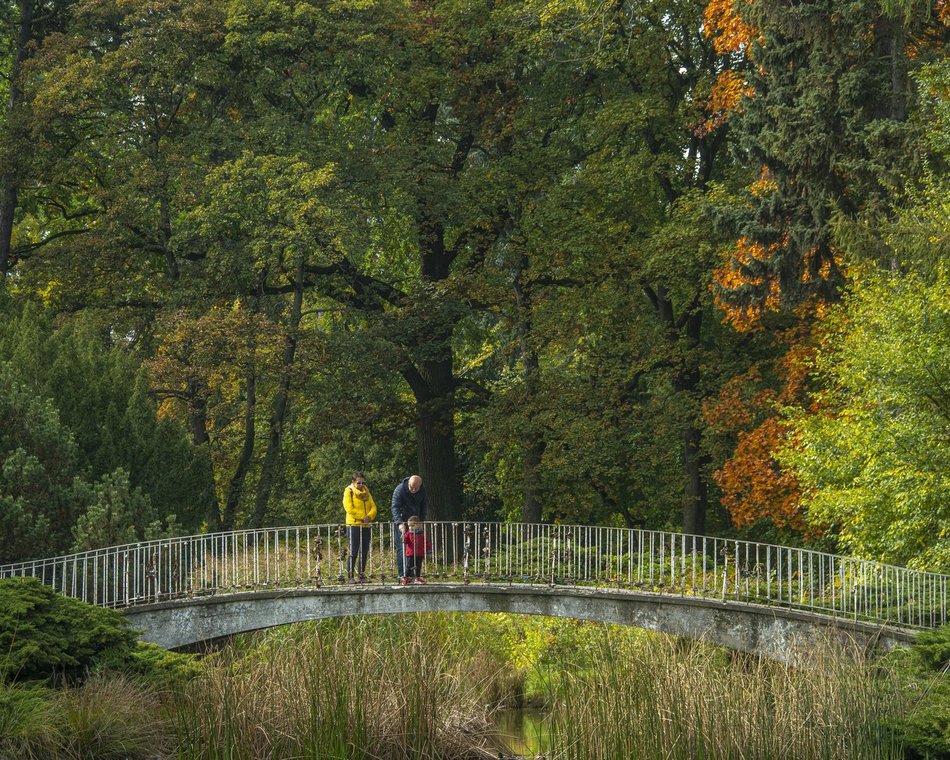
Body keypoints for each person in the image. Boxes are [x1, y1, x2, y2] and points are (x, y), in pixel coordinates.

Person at [391, 474, 427, 581]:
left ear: (420, 486)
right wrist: (400, 523)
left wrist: (421, 522)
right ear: (408, 484)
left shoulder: (422, 491)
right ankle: (403, 575)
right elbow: (395, 507)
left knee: (416, 549)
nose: (413, 489)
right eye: (411, 487)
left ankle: (414, 574)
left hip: (416, 522)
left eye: (416, 488)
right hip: (402, 523)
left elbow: (423, 507)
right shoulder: (400, 489)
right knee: (403, 548)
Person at [343, 471, 377, 583]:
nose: (361, 485)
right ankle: (350, 576)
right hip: (354, 525)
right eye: (358, 483)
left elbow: (373, 507)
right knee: (353, 550)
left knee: (364, 550)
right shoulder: (349, 491)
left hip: (366, 525)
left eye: (362, 482)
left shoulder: (367, 492)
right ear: (353, 482)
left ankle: (361, 575)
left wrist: (369, 516)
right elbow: (349, 508)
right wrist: (362, 517)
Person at [401, 515, 430, 585]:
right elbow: (405, 540)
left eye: (412, 525)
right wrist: (403, 538)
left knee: (418, 566)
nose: (410, 527)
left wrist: (429, 551)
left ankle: (417, 577)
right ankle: (406, 578)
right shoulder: (408, 533)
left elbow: (426, 542)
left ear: (419, 524)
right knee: (409, 566)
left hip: (420, 553)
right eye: (409, 526)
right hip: (410, 553)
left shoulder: (422, 533)